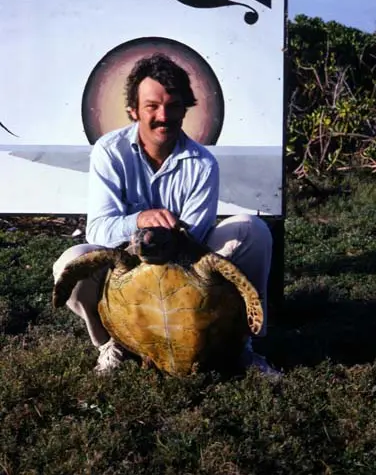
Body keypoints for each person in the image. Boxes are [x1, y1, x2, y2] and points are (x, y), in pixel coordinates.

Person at [53, 53, 280, 378]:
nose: (164, 116)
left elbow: (196, 240)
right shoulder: (109, 152)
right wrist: (140, 221)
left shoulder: (203, 164)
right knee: (69, 262)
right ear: (133, 110)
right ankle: (111, 344)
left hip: (187, 268)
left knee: (252, 230)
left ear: (185, 109)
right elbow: (99, 230)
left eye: (173, 106)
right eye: (152, 106)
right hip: (125, 267)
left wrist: (164, 241)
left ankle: (245, 344)